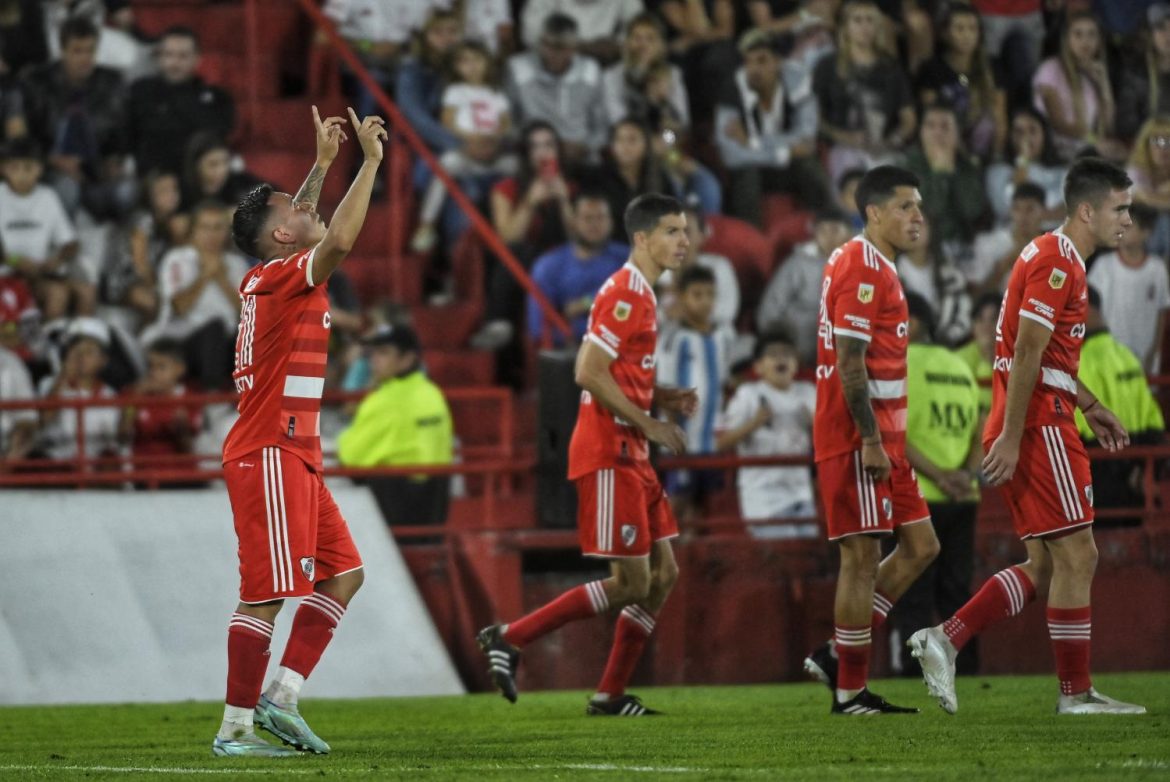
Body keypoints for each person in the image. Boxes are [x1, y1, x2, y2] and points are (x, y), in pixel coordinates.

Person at [908, 157, 1146, 716]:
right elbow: (1027, 352)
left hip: (1046, 416)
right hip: (1039, 425)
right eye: (1120, 209)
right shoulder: (1058, 261)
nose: (1128, 221)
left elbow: (1049, 354)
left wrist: (1092, 405)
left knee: (1046, 565)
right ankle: (1075, 695)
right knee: (1080, 555)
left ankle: (945, 638)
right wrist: (1014, 435)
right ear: (1087, 210)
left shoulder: (1053, 256)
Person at [211, 105, 387, 756]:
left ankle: (281, 696)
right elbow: (335, 239)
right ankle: (234, 730)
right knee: (264, 595)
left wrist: (318, 165)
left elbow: (302, 226)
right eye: (295, 208)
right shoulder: (281, 278)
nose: (308, 208)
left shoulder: (276, 270)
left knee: (344, 575)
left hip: (296, 453)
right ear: (282, 238)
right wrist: (366, 163)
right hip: (270, 452)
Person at [476, 193, 693, 717]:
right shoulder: (624, 292)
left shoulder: (643, 293)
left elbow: (619, 373)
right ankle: (510, 635)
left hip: (632, 450)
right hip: (608, 449)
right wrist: (649, 421)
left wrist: (660, 395)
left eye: (684, 231)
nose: (683, 241)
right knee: (633, 582)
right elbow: (587, 371)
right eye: (670, 231)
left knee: (665, 576)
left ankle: (609, 694)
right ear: (642, 239)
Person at [802, 165, 939, 715]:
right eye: (905, 206)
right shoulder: (862, 264)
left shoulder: (871, 263)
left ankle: (841, 652)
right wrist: (870, 439)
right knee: (861, 558)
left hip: (885, 440)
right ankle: (851, 691)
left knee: (923, 546)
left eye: (919, 205)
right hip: (861, 437)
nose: (917, 216)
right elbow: (850, 362)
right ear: (874, 212)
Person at [896, 291, 982, 676]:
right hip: (965, 495)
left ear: (910, 323)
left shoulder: (899, 363)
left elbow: (894, 436)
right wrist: (965, 474)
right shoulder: (960, 365)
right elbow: (981, 430)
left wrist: (938, 476)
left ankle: (914, 673)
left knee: (914, 592)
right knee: (957, 592)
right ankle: (965, 668)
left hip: (920, 495)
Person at [337, 323, 454, 525]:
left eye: (383, 353)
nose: (374, 359)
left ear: (407, 359)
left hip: (394, 511)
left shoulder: (384, 401)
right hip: (433, 509)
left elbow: (349, 456)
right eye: (373, 353)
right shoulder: (433, 394)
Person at [715, 27, 831, 225]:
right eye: (748, 62)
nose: (754, 69)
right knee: (745, 176)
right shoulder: (731, 88)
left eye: (761, 60)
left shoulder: (798, 80)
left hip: (789, 167)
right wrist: (784, 152)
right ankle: (752, 242)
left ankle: (827, 226)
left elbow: (807, 140)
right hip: (756, 168)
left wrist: (752, 142)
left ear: (778, 62)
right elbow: (730, 154)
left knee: (810, 167)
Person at [410, 39, 516, 254]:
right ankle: (426, 223)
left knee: (516, 164)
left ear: (488, 62)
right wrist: (471, 139)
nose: (472, 66)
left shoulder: (497, 94)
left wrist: (493, 140)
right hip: (466, 152)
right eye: (464, 61)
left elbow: (506, 126)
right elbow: (448, 122)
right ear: (456, 67)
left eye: (476, 59)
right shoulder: (455, 91)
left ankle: (512, 221)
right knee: (446, 164)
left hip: (493, 154)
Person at [19, 15, 130, 218]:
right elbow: (25, 138)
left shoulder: (112, 84)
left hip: (97, 170)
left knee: (127, 192)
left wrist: (114, 160)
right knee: (67, 188)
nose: (85, 58)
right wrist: (51, 160)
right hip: (49, 169)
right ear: (62, 52)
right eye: (77, 51)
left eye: (90, 50)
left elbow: (122, 133)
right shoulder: (37, 84)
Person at [1074, 285, 1166, 514]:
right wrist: (1140, 472)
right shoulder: (1128, 357)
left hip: (1098, 484)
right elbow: (1155, 424)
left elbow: (1077, 434)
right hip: (1138, 480)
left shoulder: (1078, 363)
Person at [716, 330, 817, 538]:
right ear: (758, 366)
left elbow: (834, 440)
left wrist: (814, 424)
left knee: (809, 562)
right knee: (782, 564)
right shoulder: (747, 395)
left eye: (787, 354)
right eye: (773, 354)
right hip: (763, 500)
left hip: (802, 495)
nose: (781, 359)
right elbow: (720, 443)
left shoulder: (808, 392)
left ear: (797, 362)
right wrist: (755, 422)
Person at [142, 200, 248, 391]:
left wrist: (222, 280)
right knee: (214, 328)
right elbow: (179, 307)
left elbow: (249, 313)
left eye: (218, 228)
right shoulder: (177, 260)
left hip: (226, 345)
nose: (212, 235)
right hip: (181, 344)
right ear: (193, 231)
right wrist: (205, 276)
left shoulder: (236, 264)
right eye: (205, 227)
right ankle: (213, 400)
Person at [655, 264, 733, 520]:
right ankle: (668, 558)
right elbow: (665, 389)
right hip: (684, 440)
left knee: (703, 510)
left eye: (710, 294)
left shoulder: (721, 335)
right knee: (676, 503)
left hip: (710, 440)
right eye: (697, 294)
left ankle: (697, 557)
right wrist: (673, 434)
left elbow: (721, 382)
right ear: (681, 297)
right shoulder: (673, 337)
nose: (705, 302)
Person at [812, 0, 916, 183]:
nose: (864, 26)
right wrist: (842, 136)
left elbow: (908, 118)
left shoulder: (890, 67)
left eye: (870, 20)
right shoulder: (828, 66)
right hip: (844, 148)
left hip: (885, 149)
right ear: (845, 27)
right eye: (857, 20)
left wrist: (893, 140)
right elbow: (814, 117)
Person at [125, 26, 235, 177]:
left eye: (183, 56)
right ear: (159, 57)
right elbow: (126, 135)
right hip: (151, 179)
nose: (174, 63)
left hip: (200, 178)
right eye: (169, 55)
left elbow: (220, 135)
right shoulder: (141, 92)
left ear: (197, 59)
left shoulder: (217, 99)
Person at [505, 13, 609, 165]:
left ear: (573, 48)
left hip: (579, 154)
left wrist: (586, 147)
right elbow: (507, 120)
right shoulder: (519, 68)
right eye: (547, 44)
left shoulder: (590, 71)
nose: (552, 53)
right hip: (533, 152)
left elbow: (601, 126)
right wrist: (531, 144)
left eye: (560, 47)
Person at [0, 136, 86, 321]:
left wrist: (55, 260)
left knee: (59, 293)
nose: (22, 175)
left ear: (39, 169)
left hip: (36, 276)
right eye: (14, 168)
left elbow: (70, 242)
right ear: (3, 169)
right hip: (4, 276)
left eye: (29, 168)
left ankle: (46, 343)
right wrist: (14, 260)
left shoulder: (48, 197)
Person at [526, 192, 627, 345]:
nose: (594, 225)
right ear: (573, 222)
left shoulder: (628, 259)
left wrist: (586, 303)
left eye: (601, 217)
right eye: (587, 218)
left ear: (611, 222)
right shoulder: (548, 266)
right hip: (569, 352)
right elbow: (537, 328)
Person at [757, 209, 852, 365]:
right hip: (799, 343)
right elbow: (770, 309)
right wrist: (778, 342)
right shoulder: (797, 263)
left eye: (835, 230)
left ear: (848, 234)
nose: (828, 237)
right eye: (822, 230)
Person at [914, 2, 1006, 162]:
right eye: (960, 29)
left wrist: (997, 157)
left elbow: (1000, 119)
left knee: (987, 122)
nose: (967, 35)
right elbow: (930, 116)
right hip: (944, 145)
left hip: (983, 151)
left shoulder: (993, 67)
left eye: (972, 29)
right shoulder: (932, 69)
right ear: (945, 33)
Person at [1087, 203, 1170, 373]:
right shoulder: (1103, 266)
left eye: (1128, 227)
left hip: (1144, 355)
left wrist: (1153, 351)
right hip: (1108, 355)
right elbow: (1089, 309)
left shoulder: (1157, 269)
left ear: (1146, 233)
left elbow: (1162, 313)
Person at [1031, 12, 1123, 162]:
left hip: (1088, 148)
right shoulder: (1050, 69)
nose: (1085, 41)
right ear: (1067, 39)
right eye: (1078, 34)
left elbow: (1108, 125)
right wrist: (1094, 142)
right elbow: (1058, 124)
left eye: (1091, 34)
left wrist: (1104, 85)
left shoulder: (1096, 72)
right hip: (1056, 150)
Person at [903, 104, 987, 255]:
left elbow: (972, 210)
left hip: (962, 247)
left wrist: (952, 170)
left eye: (945, 126)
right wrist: (940, 173)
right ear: (921, 131)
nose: (938, 132)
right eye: (931, 126)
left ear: (956, 133)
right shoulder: (907, 166)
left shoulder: (966, 165)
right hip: (921, 250)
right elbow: (931, 210)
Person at [656, 202, 740, 331]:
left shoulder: (718, 267)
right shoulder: (654, 273)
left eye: (687, 232)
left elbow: (727, 310)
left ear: (702, 236)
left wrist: (686, 312)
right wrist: (664, 314)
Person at [119, 337, 202, 464]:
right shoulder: (134, 394)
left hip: (181, 475)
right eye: (150, 367)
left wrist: (182, 430)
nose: (153, 372)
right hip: (142, 474)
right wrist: (134, 402)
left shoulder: (190, 397)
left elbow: (191, 450)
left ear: (180, 369)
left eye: (161, 367)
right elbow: (123, 436)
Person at [985, 106, 1067, 226]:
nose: (1026, 138)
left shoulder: (1061, 172)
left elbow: (1069, 211)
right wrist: (1023, 162)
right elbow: (1005, 210)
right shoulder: (997, 172)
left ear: (1044, 134)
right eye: (1019, 132)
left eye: (1032, 130)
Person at [970, 182, 1046, 294]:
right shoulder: (989, 243)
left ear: (1044, 212)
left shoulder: (1057, 247)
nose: (1023, 216)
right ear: (1011, 211)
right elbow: (976, 294)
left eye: (1030, 209)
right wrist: (1004, 265)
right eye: (1017, 209)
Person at [520, 0, 645, 65]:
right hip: (556, 68)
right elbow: (531, 35)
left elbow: (641, 29)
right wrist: (582, 48)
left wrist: (619, 46)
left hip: (608, 67)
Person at [1115, 4, 1170, 144]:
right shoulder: (1136, 71)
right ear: (1150, 33)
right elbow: (1126, 124)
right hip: (1148, 148)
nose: (1168, 35)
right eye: (1161, 28)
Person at [1125, 116, 1170, 261]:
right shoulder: (1135, 172)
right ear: (1145, 145)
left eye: (1168, 142)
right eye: (1157, 141)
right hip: (1141, 234)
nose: (1163, 148)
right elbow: (1138, 197)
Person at [181, 133, 262, 211]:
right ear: (196, 166)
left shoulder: (238, 184)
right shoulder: (181, 193)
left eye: (225, 162)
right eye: (213, 164)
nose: (222, 171)